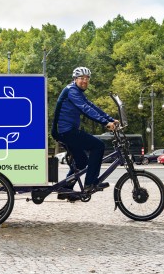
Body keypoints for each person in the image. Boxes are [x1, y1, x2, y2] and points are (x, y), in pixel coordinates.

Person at [51, 66, 118, 200]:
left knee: (81, 162)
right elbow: (85, 109)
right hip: (65, 131)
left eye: (87, 79)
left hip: (67, 131)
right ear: (75, 79)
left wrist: (110, 119)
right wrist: (105, 123)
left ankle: (66, 191)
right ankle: (90, 183)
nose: (85, 81)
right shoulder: (72, 91)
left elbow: (92, 106)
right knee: (98, 146)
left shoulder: (77, 92)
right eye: (82, 78)